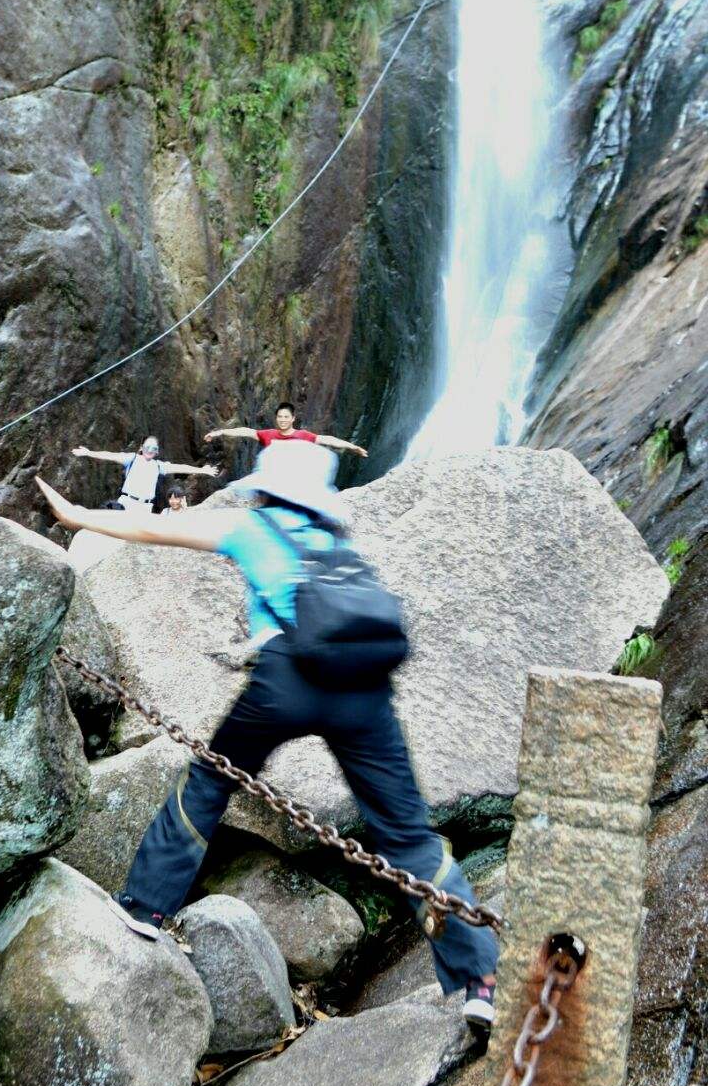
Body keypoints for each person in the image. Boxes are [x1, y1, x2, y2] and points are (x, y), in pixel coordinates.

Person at [36, 442, 497, 1029]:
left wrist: (76, 518)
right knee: (407, 837)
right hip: (365, 693)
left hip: (286, 680)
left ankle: (146, 907)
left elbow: (151, 533)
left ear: (268, 488)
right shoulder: (338, 544)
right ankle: (481, 978)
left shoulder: (252, 526)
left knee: (211, 777)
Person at [70, 437, 219, 513]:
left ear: (157, 451)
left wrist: (202, 470)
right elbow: (110, 455)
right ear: (141, 448)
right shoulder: (132, 458)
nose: (150, 450)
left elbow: (179, 467)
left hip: (145, 507)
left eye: (153, 448)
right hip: (127, 503)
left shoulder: (158, 466)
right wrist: (88, 453)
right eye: (147, 447)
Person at [205, 402, 368, 458]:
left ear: (293, 419)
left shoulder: (303, 435)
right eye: (280, 417)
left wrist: (352, 447)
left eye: (286, 417)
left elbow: (327, 440)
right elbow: (244, 431)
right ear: (276, 418)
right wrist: (219, 432)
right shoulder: (268, 435)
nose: (283, 420)